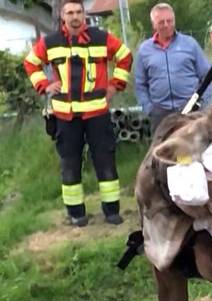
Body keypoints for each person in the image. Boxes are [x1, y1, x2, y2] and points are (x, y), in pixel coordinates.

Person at [22, 0, 133, 226]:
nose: (75, 17)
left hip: (97, 113)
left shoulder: (101, 38)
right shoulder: (51, 42)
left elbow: (125, 56)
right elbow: (30, 62)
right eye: (70, 12)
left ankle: (112, 212)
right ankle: (76, 214)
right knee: (69, 164)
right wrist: (44, 84)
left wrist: (115, 85)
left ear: (84, 14)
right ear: (62, 16)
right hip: (65, 116)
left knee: (105, 161)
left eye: (79, 12)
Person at [133, 3, 212, 131]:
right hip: (160, 114)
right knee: (164, 150)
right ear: (154, 25)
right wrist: (149, 108)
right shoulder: (144, 50)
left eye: (169, 21)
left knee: (194, 149)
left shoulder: (190, 44)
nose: (166, 25)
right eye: (161, 22)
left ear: (174, 21)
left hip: (191, 110)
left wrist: (201, 103)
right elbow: (140, 84)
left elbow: (207, 76)